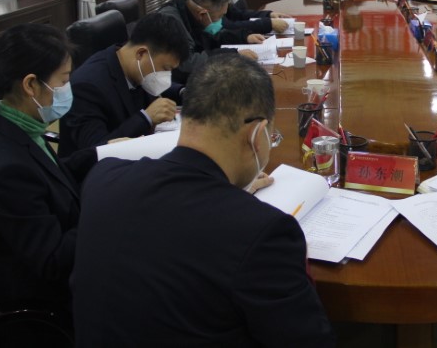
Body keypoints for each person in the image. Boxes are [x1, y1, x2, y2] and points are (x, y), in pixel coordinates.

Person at [72, 54, 335, 347]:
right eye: (271, 137)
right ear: (257, 134)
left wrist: (229, 198)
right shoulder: (263, 233)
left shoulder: (103, 179)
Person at [0, 24, 94, 309]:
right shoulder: (5, 169)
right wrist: (104, 210)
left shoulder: (10, 120)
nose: (68, 87)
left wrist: (99, 154)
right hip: (43, 303)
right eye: (64, 79)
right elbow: (53, 260)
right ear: (31, 84)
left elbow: (44, 172)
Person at [58, 13, 189, 157]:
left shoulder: (133, 65)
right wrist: (146, 118)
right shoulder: (87, 87)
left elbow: (157, 81)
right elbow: (97, 150)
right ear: (141, 54)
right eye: (165, 69)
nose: (166, 76)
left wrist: (184, 92)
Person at [158, 0, 263, 83]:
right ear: (202, 14)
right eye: (219, 17)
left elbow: (213, 37)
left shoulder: (192, 11)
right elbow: (186, 64)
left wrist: (244, 37)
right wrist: (231, 55)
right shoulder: (170, 22)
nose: (221, 21)